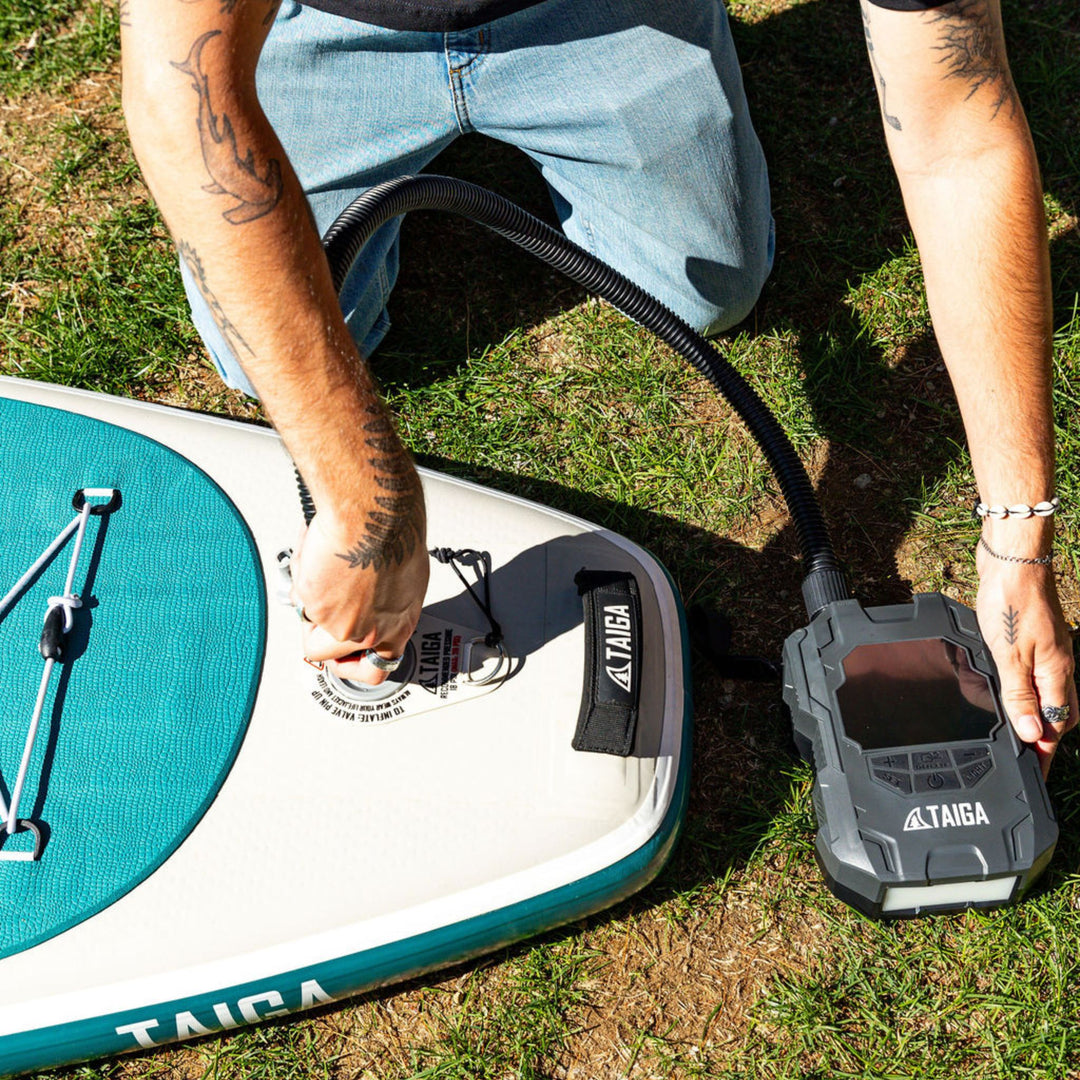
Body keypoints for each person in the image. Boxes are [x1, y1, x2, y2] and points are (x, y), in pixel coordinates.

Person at [120, 0, 1076, 773]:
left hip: (602, 15)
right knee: (256, 356)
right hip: (325, 26)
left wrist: (1020, 537)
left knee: (711, 284)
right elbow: (181, 94)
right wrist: (368, 504)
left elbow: (960, 130)